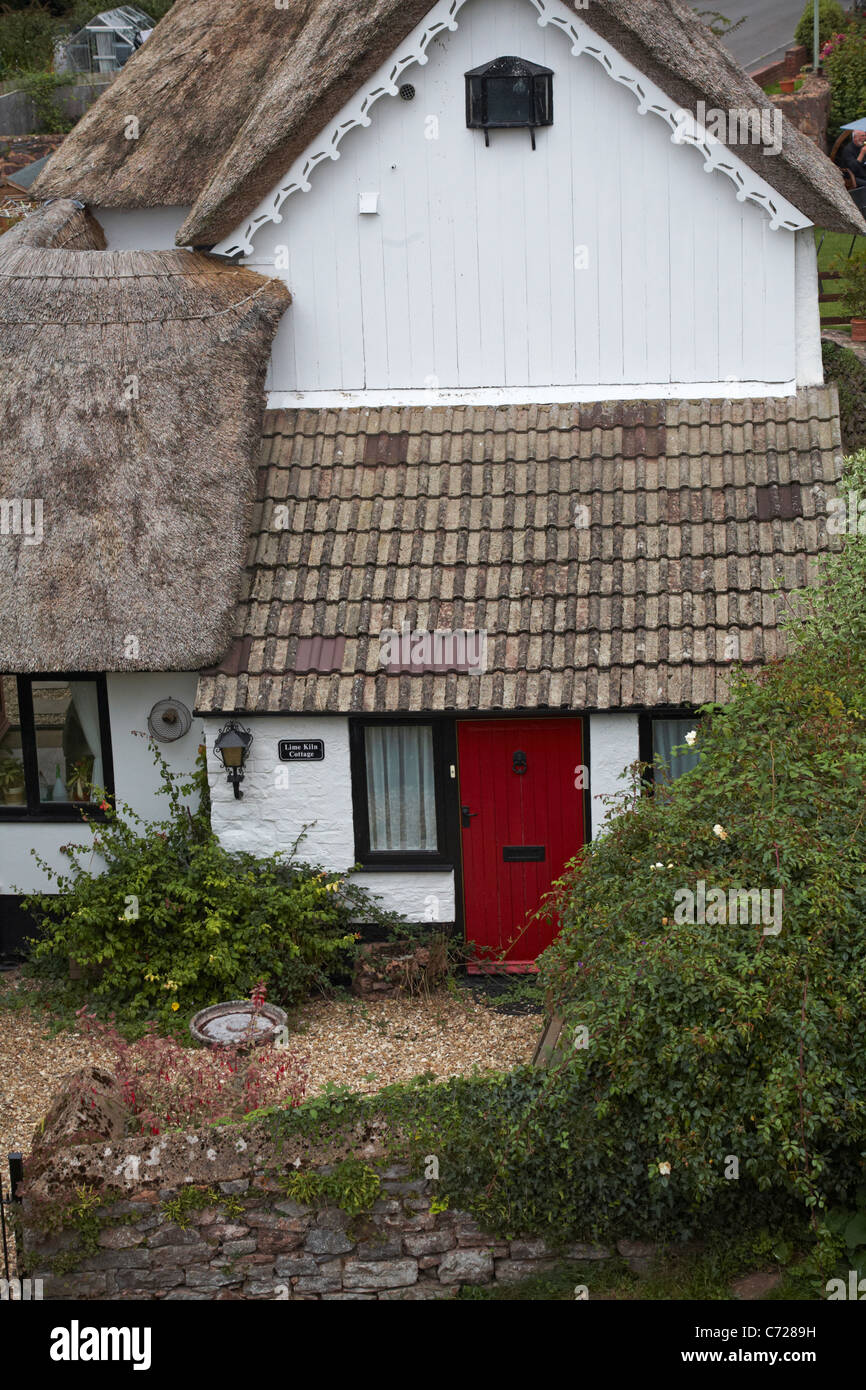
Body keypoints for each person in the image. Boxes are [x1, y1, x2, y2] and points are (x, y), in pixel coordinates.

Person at [836, 129, 866, 212]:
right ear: (855, 137)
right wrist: (862, 153)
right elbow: (853, 169)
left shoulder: (862, 147)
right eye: (862, 136)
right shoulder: (848, 150)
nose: (864, 138)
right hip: (852, 176)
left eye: (865, 136)